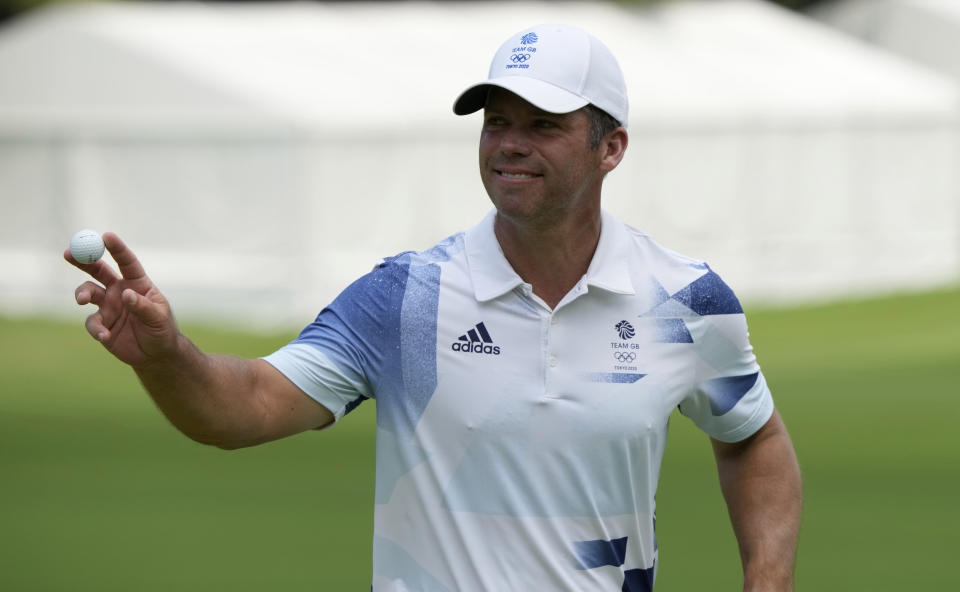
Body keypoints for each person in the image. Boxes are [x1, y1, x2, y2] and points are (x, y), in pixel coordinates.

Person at [65, 24, 801, 592]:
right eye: (495, 122)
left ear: (611, 147)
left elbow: (752, 437)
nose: (508, 146)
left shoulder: (686, 302)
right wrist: (169, 357)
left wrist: (766, 582)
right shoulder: (406, 296)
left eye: (541, 125)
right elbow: (242, 408)